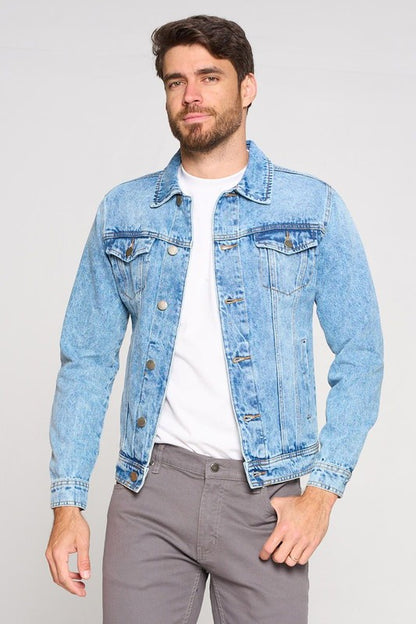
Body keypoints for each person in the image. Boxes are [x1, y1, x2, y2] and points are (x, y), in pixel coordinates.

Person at [45, 14, 383, 624]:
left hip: (266, 500)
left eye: (209, 76)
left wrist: (322, 494)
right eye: (175, 81)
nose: (191, 95)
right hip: (150, 495)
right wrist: (67, 504)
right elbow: (87, 360)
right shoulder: (123, 212)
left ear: (247, 87)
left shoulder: (312, 207)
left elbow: (362, 354)